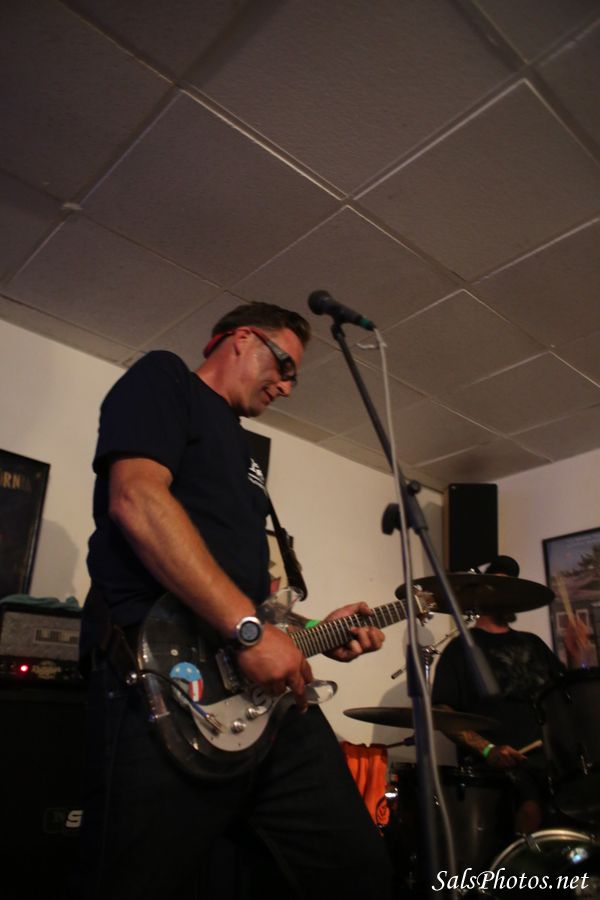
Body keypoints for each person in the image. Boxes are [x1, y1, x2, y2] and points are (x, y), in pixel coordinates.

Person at [71, 302, 394, 900]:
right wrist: (247, 631)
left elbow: (255, 603)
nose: (288, 387)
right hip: (159, 683)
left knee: (359, 871)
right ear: (241, 338)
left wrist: (315, 630)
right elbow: (137, 499)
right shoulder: (166, 378)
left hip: (263, 704)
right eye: (285, 365)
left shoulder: (246, 458)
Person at [431, 555, 565, 836]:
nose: (510, 596)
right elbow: (443, 713)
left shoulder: (533, 643)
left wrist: (577, 654)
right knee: (530, 809)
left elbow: (565, 695)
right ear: (482, 594)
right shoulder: (460, 649)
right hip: (497, 769)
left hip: (550, 762)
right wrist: (488, 749)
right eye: (503, 588)